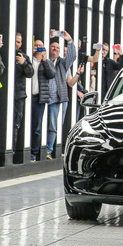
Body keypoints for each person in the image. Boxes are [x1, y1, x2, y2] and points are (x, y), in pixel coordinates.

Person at [45, 30, 77, 159]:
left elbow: (72, 56)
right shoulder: (44, 60)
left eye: (58, 47)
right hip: (43, 97)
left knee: (53, 126)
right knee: (40, 125)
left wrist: (69, 41)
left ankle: (48, 150)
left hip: (59, 99)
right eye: (53, 46)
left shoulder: (63, 63)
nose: (56, 49)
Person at [29, 40, 53, 162]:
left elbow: (51, 74)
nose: (38, 48)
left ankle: (34, 153)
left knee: (37, 127)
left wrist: (44, 60)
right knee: (26, 125)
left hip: (39, 98)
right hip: (28, 97)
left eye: (40, 46)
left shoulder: (46, 62)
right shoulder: (28, 60)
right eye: (36, 46)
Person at [12, 33, 33, 161]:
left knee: (16, 125)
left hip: (19, 96)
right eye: (15, 41)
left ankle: (13, 152)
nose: (17, 44)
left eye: (19, 42)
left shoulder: (24, 56)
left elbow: (30, 73)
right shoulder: (3, 52)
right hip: (3, 96)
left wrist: (24, 63)